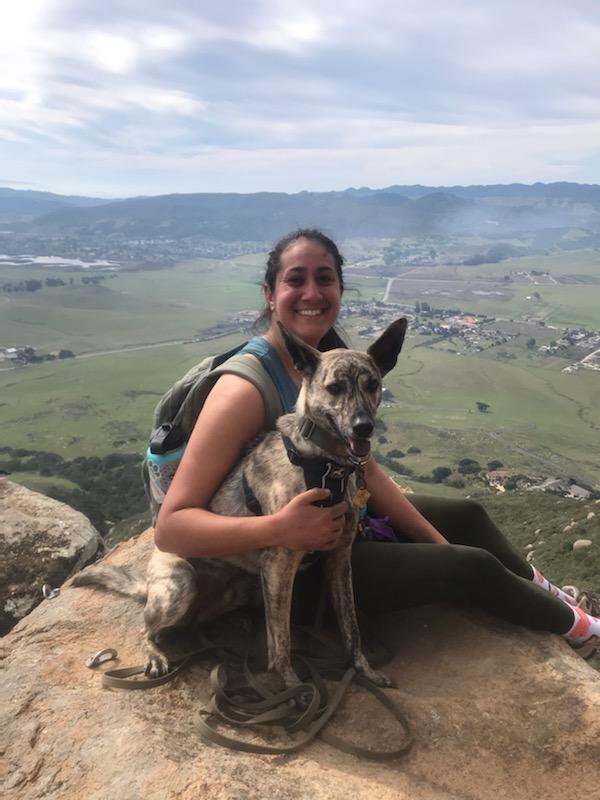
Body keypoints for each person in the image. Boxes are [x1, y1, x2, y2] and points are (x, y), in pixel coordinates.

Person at [155, 228, 600, 657]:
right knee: (471, 567)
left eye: (324, 279)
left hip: (340, 518)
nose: (312, 293)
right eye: (295, 280)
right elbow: (172, 529)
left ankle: (561, 601)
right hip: (291, 565)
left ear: (341, 289)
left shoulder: (329, 357)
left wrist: (436, 543)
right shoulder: (245, 389)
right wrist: (280, 529)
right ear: (270, 293)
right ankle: (585, 633)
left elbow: (359, 465)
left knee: (467, 516)